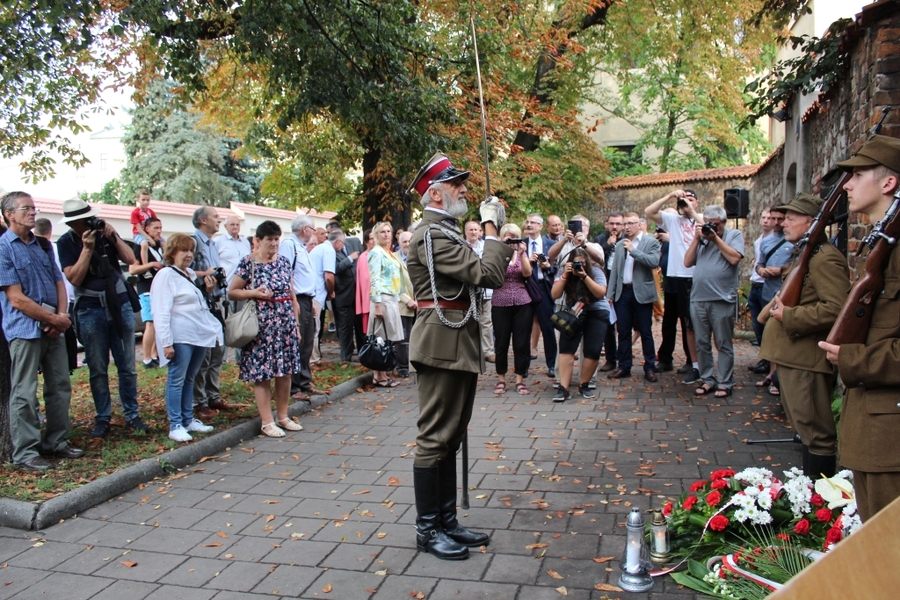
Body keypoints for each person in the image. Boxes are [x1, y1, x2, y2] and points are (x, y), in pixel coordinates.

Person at [406, 152, 513, 560]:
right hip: (441, 343)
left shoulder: (446, 232)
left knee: (451, 437)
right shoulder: (431, 234)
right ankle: (427, 530)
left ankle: (446, 521)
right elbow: (487, 275)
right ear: (435, 193)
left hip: (456, 340)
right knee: (435, 437)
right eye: (455, 185)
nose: (464, 189)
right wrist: (491, 228)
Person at [819, 134, 900, 522]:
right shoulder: (882, 242)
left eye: (857, 174)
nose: (847, 185)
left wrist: (855, 358)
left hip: (891, 437)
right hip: (873, 429)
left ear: (888, 183)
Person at [758, 194, 848, 478]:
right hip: (793, 356)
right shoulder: (807, 254)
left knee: (816, 434)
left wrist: (790, 317)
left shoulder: (825, 259)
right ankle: (811, 495)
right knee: (805, 430)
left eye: (791, 218)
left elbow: (837, 309)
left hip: (806, 359)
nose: (784, 223)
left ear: (811, 222)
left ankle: (821, 501)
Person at [0, 191, 82, 471]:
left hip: (53, 327)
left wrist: (60, 316)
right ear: (10, 214)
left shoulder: (43, 245)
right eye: (27, 208)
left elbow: (59, 282)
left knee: (60, 386)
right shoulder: (3, 248)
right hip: (24, 329)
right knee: (24, 391)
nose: (34, 212)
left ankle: (56, 442)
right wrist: (53, 319)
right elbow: (16, 298)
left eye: (34, 208)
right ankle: (25, 452)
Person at [57, 198, 150, 438]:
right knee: (97, 367)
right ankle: (103, 417)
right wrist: (87, 249)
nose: (89, 223)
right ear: (73, 224)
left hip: (119, 306)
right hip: (91, 309)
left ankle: (132, 414)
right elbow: (74, 278)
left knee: (127, 365)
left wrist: (114, 236)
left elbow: (131, 260)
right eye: (83, 221)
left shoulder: (105, 233)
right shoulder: (67, 243)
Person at [229, 220, 305, 437]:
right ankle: (266, 421)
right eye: (269, 239)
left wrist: (296, 325)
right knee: (262, 374)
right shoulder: (248, 263)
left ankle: (283, 416)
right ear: (257, 241)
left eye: (276, 239)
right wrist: (254, 293)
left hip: (285, 323)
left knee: (285, 372)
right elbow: (232, 291)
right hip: (261, 325)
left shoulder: (283, 261)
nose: (274, 243)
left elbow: (291, 295)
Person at [149, 234, 221, 442]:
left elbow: (197, 304)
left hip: (197, 334)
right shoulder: (166, 276)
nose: (189, 255)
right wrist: (166, 342)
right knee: (177, 378)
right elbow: (161, 310)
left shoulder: (188, 274)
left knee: (190, 377)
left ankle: (187, 418)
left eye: (191, 250)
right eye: (184, 250)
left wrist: (207, 291)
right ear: (172, 253)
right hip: (180, 336)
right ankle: (175, 424)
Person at [684, 205, 744, 398]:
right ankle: (707, 379)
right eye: (709, 224)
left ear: (723, 223)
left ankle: (726, 382)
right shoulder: (702, 237)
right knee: (702, 342)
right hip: (698, 298)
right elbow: (687, 262)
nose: (712, 228)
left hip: (722, 298)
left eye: (716, 225)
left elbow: (734, 258)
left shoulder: (733, 235)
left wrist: (715, 238)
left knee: (723, 342)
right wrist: (696, 239)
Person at [645, 189, 703, 384]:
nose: (685, 202)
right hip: (674, 276)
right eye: (683, 199)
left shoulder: (701, 217)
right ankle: (666, 358)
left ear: (697, 202)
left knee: (689, 321)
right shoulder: (673, 220)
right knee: (669, 320)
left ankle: (691, 360)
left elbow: (708, 228)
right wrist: (670, 196)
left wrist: (691, 211)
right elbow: (649, 212)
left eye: (690, 199)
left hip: (693, 277)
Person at [189, 206, 235, 419]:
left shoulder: (213, 245)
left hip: (216, 302)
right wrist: (204, 275)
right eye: (215, 217)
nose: (219, 220)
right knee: (204, 356)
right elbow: (179, 269)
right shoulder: (193, 242)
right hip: (201, 305)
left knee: (218, 352)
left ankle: (213, 396)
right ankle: (199, 402)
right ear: (202, 220)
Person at [606, 212, 661, 382]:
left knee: (645, 331)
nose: (627, 227)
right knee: (623, 331)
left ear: (640, 224)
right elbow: (615, 270)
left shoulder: (651, 242)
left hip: (642, 293)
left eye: (631, 223)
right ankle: (624, 366)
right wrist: (610, 294)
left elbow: (653, 262)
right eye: (625, 224)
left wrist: (634, 251)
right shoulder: (621, 243)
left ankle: (650, 367)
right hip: (623, 293)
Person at [551, 247, 610, 402]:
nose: (579, 266)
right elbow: (555, 294)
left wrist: (584, 276)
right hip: (574, 312)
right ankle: (563, 388)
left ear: (587, 263)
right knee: (566, 348)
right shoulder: (565, 271)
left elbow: (600, 293)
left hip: (596, 311)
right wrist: (565, 275)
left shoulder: (595, 271)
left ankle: (584, 384)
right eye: (576, 263)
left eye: (582, 263)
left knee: (592, 350)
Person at [280, 215, 324, 401]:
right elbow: (286, 274)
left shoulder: (302, 247)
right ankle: (294, 386)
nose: (314, 232)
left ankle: (305, 381)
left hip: (307, 299)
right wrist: (293, 303)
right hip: (296, 299)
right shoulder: (289, 245)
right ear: (305, 229)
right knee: (298, 343)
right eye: (313, 229)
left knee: (307, 342)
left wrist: (312, 301)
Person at [491, 223, 534, 396]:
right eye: (508, 238)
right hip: (500, 303)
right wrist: (504, 255)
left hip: (522, 302)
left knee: (521, 342)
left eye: (514, 237)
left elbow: (527, 273)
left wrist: (522, 254)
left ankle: (519, 379)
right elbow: (494, 276)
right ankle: (501, 378)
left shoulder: (521, 253)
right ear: (501, 239)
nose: (511, 241)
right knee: (501, 342)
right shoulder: (496, 255)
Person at [755, 209, 794, 395]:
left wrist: (782, 270)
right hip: (768, 291)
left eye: (780, 218)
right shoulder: (767, 241)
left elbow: (798, 264)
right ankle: (771, 373)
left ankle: (781, 377)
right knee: (769, 334)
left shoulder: (794, 241)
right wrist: (761, 270)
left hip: (786, 291)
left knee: (783, 336)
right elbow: (759, 262)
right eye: (773, 218)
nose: (776, 222)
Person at [367, 221, 404, 388]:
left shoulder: (388, 253)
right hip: (381, 298)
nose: (387, 234)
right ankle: (378, 375)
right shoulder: (376, 253)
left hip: (392, 297)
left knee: (387, 338)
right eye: (382, 232)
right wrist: (378, 305)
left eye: (389, 231)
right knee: (380, 338)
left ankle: (383, 373)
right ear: (376, 235)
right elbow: (374, 279)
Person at [523, 213, 558, 377]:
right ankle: (523, 366)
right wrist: (527, 261)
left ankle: (552, 365)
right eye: (527, 222)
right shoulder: (521, 244)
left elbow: (557, 269)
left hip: (544, 287)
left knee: (548, 327)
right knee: (523, 327)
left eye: (533, 222)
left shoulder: (551, 244)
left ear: (540, 226)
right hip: (525, 287)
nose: (529, 225)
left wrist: (546, 266)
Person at [129, 217, 164, 369]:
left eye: (160, 228)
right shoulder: (140, 246)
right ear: (147, 229)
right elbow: (132, 269)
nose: (159, 231)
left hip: (160, 289)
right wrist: (151, 264)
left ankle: (156, 355)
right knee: (150, 323)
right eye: (155, 228)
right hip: (146, 289)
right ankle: (147, 359)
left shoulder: (160, 246)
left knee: (160, 323)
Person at [595, 212, 623, 372]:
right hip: (605, 285)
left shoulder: (627, 238)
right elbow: (595, 260)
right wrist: (607, 245)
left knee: (624, 326)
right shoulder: (600, 239)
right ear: (607, 224)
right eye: (612, 223)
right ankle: (611, 359)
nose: (614, 227)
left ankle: (624, 359)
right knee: (608, 325)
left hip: (623, 286)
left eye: (618, 224)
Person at [465, 221, 495, 362]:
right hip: (468, 292)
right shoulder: (461, 247)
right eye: (471, 230)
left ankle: (488, 351)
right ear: (466, 232)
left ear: (480, 232)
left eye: (476, 230)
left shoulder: (486, 247)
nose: (474, 232)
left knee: (486, 322)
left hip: (486, 290)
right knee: (469, 321)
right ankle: (471, 351)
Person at [309, 228, 338, 365]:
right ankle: (313, 360)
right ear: (337, 242)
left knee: (313, 327)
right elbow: (329, 277)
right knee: (315, 328)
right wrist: (331, 292)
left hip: (312, 292)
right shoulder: (329, 250)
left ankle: (313, 357)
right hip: (316, 293)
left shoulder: (319, 249)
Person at [748, 210, 774, 354]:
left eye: (769, 218)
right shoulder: (758, 240)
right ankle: (763, 357)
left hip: (766, 285)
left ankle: (768, 359)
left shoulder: (776, 240)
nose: (766, 221)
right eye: (763, 217)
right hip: (755, 283)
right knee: (757, 324)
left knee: (766, 324)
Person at [332, 229, 360, 363]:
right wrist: (349, 258)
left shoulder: (353, 243)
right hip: (342, 294)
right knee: (345, 326)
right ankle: (346, 356)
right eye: (343, 242)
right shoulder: (330, 251)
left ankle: (363, 352)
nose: (345, 244)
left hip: (357, 293)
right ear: (337, 241)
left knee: (360, 324)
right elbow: (335, 269)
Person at [394, 230, 417, 378]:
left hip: (420, 304)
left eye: (410, 241)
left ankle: (414, 365)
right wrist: (407, 300)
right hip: (403, 305)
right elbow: (394, 284)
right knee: (403, 338)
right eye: (404, 242)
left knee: (417, 337)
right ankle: (402, 366)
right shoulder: (394, 259)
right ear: (399, 243)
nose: (408, 244)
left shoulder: (418, 256)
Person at [355, 228, 375, 340]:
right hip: (369, 297)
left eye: (374, 238)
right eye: (371, 239)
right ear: (366, 241)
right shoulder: (364, 257)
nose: (373, 241)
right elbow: (365, 280)